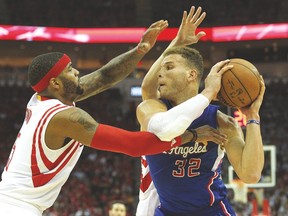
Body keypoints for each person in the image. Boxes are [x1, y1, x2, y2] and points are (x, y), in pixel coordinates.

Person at [136, 6, 266, 216]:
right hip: (167, 211)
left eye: (168, 68)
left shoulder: (223, 123)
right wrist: (177, 42)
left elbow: (251, 175)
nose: (160, 74)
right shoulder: (152, 108)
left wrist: (253, 118)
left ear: (191, 74)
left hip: (213, 210)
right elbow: (149, 94)